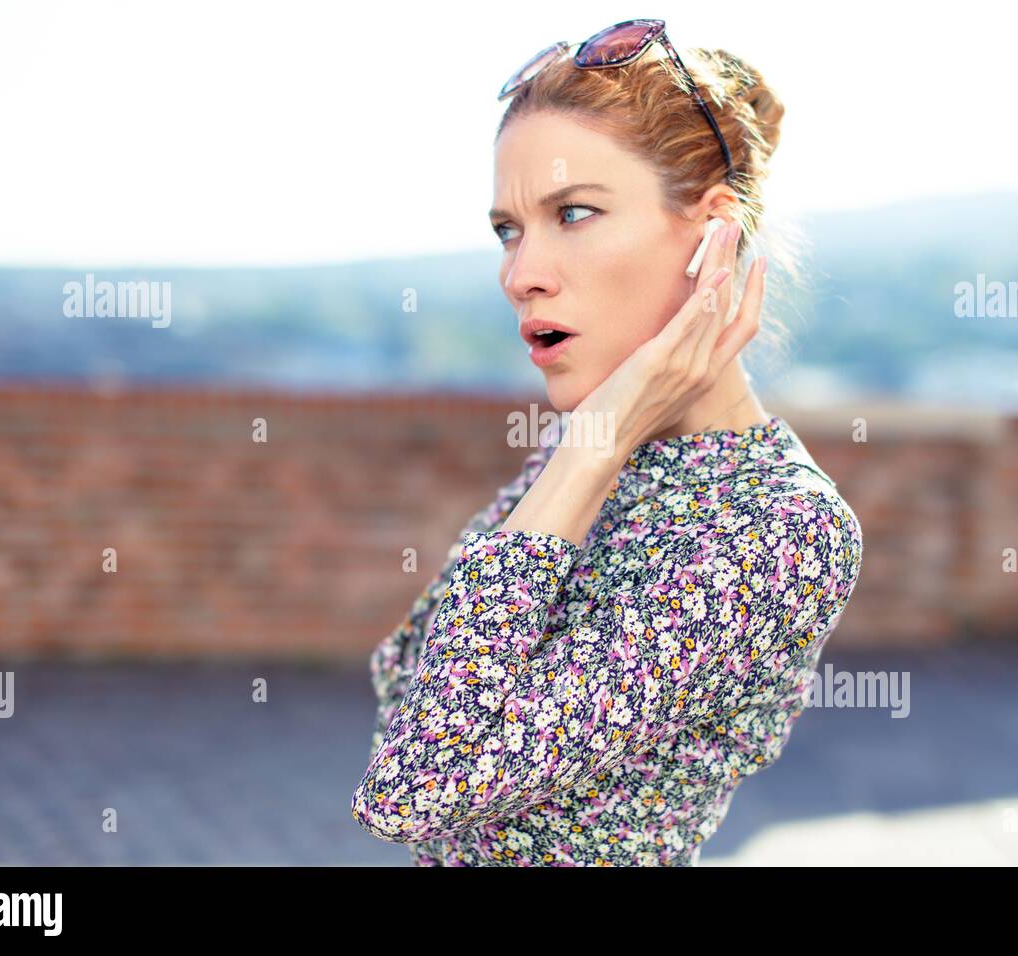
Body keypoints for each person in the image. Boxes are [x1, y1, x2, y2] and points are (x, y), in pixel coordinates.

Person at [352, 19, 864, 866]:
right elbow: (403, 678)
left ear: (715, 236)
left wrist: (590, 447)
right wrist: (594, 445)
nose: (521, 274)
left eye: (574, 213)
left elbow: (415, 784)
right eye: (509, 230)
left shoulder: (776, 529)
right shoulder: (597, 450)